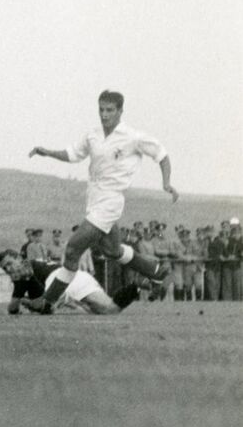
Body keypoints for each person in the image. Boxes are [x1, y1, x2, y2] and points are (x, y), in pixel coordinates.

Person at [27, 90, 178, 313]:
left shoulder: (132, 136)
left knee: (72, 249)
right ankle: (156, 271)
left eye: (109, 110)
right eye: (101, 109)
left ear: (120, 111)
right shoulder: (93, 135)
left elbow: (162, 155)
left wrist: (166, 183)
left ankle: (47, 301)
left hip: (111, 201)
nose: (104, 114)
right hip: (94, 199)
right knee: (112, 250)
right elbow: (73, 154)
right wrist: (48, 152)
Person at [0, 249, 140, 315]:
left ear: (19, 258)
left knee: (44, 308)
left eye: (9, 263)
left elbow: (13, 307)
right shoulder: (32, 265)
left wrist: (20, 303)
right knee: (111, 309)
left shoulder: (22, 270)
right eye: (4, 268)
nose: (8, 269)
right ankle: (137, 286)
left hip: (59, 280)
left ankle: (65, 300)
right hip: (76, 276)